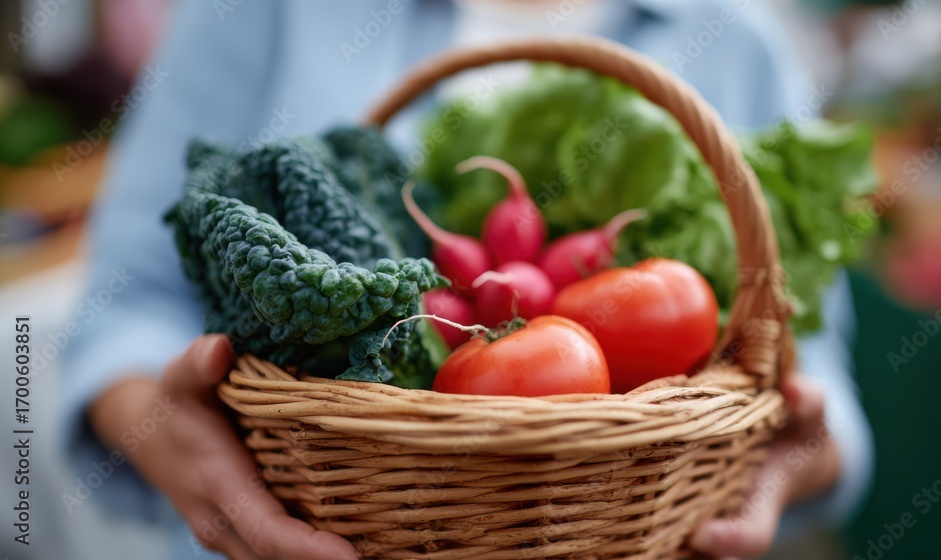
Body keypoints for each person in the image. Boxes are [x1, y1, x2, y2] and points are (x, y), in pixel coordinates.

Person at [63, 1, 874, 558]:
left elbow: (812, 365)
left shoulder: (740, 38)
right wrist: (180, 450)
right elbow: (122, 307)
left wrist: (790, 454)